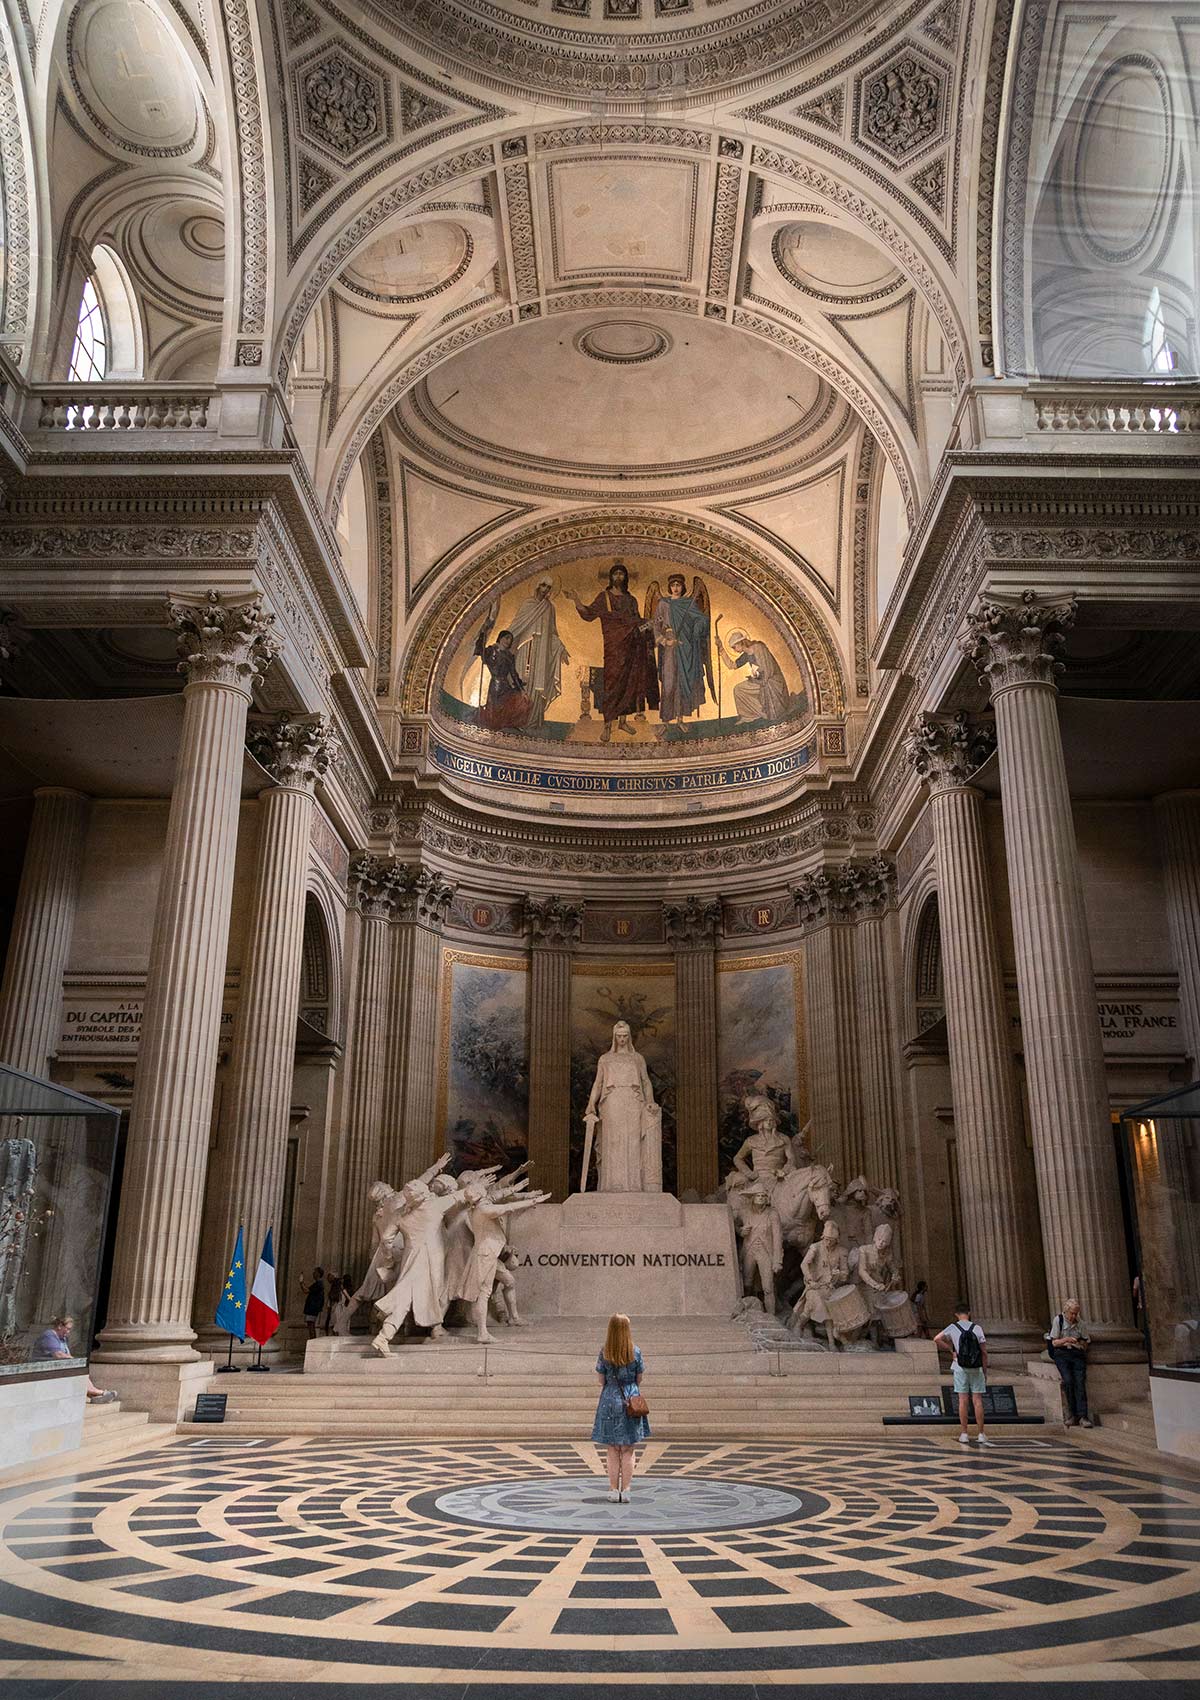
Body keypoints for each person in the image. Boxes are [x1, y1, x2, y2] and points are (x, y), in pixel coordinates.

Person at [571, 562, 658, 743]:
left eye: (621, 574)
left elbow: (636, 623)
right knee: (611, 686)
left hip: (631, 648)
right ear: (611, 577)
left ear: (625, 577)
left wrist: (652, 624)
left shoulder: (631, 599)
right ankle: (607, 726)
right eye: (615, 574)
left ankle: (623, 722)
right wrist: (576, 600)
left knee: (629, 685)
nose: (619, 577)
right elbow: (589, 614)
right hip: (613, 648)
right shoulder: (604, 597)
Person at [592, 1312, 649, 1502]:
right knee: (628, 1449)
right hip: (629, 1399)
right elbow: (639, 1378)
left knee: (612, 1448)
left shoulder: (605, 1352)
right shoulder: (636, 1351)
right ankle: (626, 1490)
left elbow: (601, 1380)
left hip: (609, 1400)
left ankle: (612, 1489)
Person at [652, 573, 710, 737]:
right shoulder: (664, 604)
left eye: (678, 585)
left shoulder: (688, 603)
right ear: (669, 587)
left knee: (683, 684)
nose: (675, 588)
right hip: (670, 649)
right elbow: (656, 624)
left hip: (686, 649)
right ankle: (664, 722)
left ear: (682, 587)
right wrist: (663, 640)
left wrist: (697, 628)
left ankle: (680, 719)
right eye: (673, 585)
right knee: (669, 684)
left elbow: (702, 620)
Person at [508, 578, 570, 729]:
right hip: (525, 649)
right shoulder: (527, 604)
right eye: (543, 585)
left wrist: (561, 648)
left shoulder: (550, 608)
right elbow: (515, 626)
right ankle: (516, 719)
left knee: (538, 683)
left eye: (548, 587)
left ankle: (533, 721)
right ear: (537, 586)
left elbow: (552, 633)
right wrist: (502, 644)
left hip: (541, 653)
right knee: (522, 679)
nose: (545, 589)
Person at [934, 1302, 993, 1446]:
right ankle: (981, 1433)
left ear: (956, 1314)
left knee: (962, 1400)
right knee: (977, 1400)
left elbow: (936, 1339)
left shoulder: (953, 1327)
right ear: (969, 1313)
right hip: (976, 1367)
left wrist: (951, 1350)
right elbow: (984, 1352)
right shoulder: (977, 1328)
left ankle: (964, 1433)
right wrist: (984, 1371)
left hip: (960, 1366)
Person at [715, 625, 790, 725]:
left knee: (761, 687)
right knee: (738, 689)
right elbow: (732, 665)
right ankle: (747, 716)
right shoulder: (746, 655)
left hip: (771, 681)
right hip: (760, 680)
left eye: (734, 647)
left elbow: (768, 669)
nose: (734, 650)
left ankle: (765, 712)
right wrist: (721, 648)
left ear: (740, 642)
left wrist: (757, 677)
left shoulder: (759, 648)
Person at [33, 1315, 116, 1402]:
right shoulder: (49, 1335)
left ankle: (93, 1393)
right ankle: (95, 1392)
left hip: (58, 1366)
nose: (68, 1332)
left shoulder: (63, 1338)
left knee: (80, 1370)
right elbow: (58, 1355)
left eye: (70, 1329)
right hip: (44, 1366)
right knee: (78, 1369)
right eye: (67, 1329)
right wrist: (73, 1360)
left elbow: (65, 1354)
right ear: (60, 1326)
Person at [473, 621, 532, 731]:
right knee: (495, 707)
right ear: (500, 638)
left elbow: (513, 674)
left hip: (505, 685)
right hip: (495, 684)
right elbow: (479, 650)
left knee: (521, 701)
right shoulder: (491, 650)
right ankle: (494, 725)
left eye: (510, 640)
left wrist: (522, 690)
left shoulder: (509, 656)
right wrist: (483, 634)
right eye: (506, 638)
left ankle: (512, 723)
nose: (508, 641)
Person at [1047, 1299, 1093, 1427]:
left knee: (1080, 1382)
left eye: (1076, 1314)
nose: (1074, 1316)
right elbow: (1054, 1342)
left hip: (1076, 1354)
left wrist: (1079, 1345)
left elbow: (1086, 1341)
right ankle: (1072, 1414)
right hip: (1062, 1354)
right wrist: (1066, 1340)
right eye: (1072, 1313)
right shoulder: (1059, 1321)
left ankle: (1083, 1415)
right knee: (1068, 1381)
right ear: (1066, 1311)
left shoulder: (1080, 1324)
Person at [300, 1267, 326, 1340]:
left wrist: (301, 1282)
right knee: (311, 1325)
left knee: (311, 1325)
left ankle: (313, 1342)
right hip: (313, 1307)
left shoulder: (319, 1284)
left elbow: (306, 1290)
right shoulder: (318, 1284)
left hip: (312, 1308)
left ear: (318, 1274)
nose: (313, 1273)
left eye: (315, 1272)